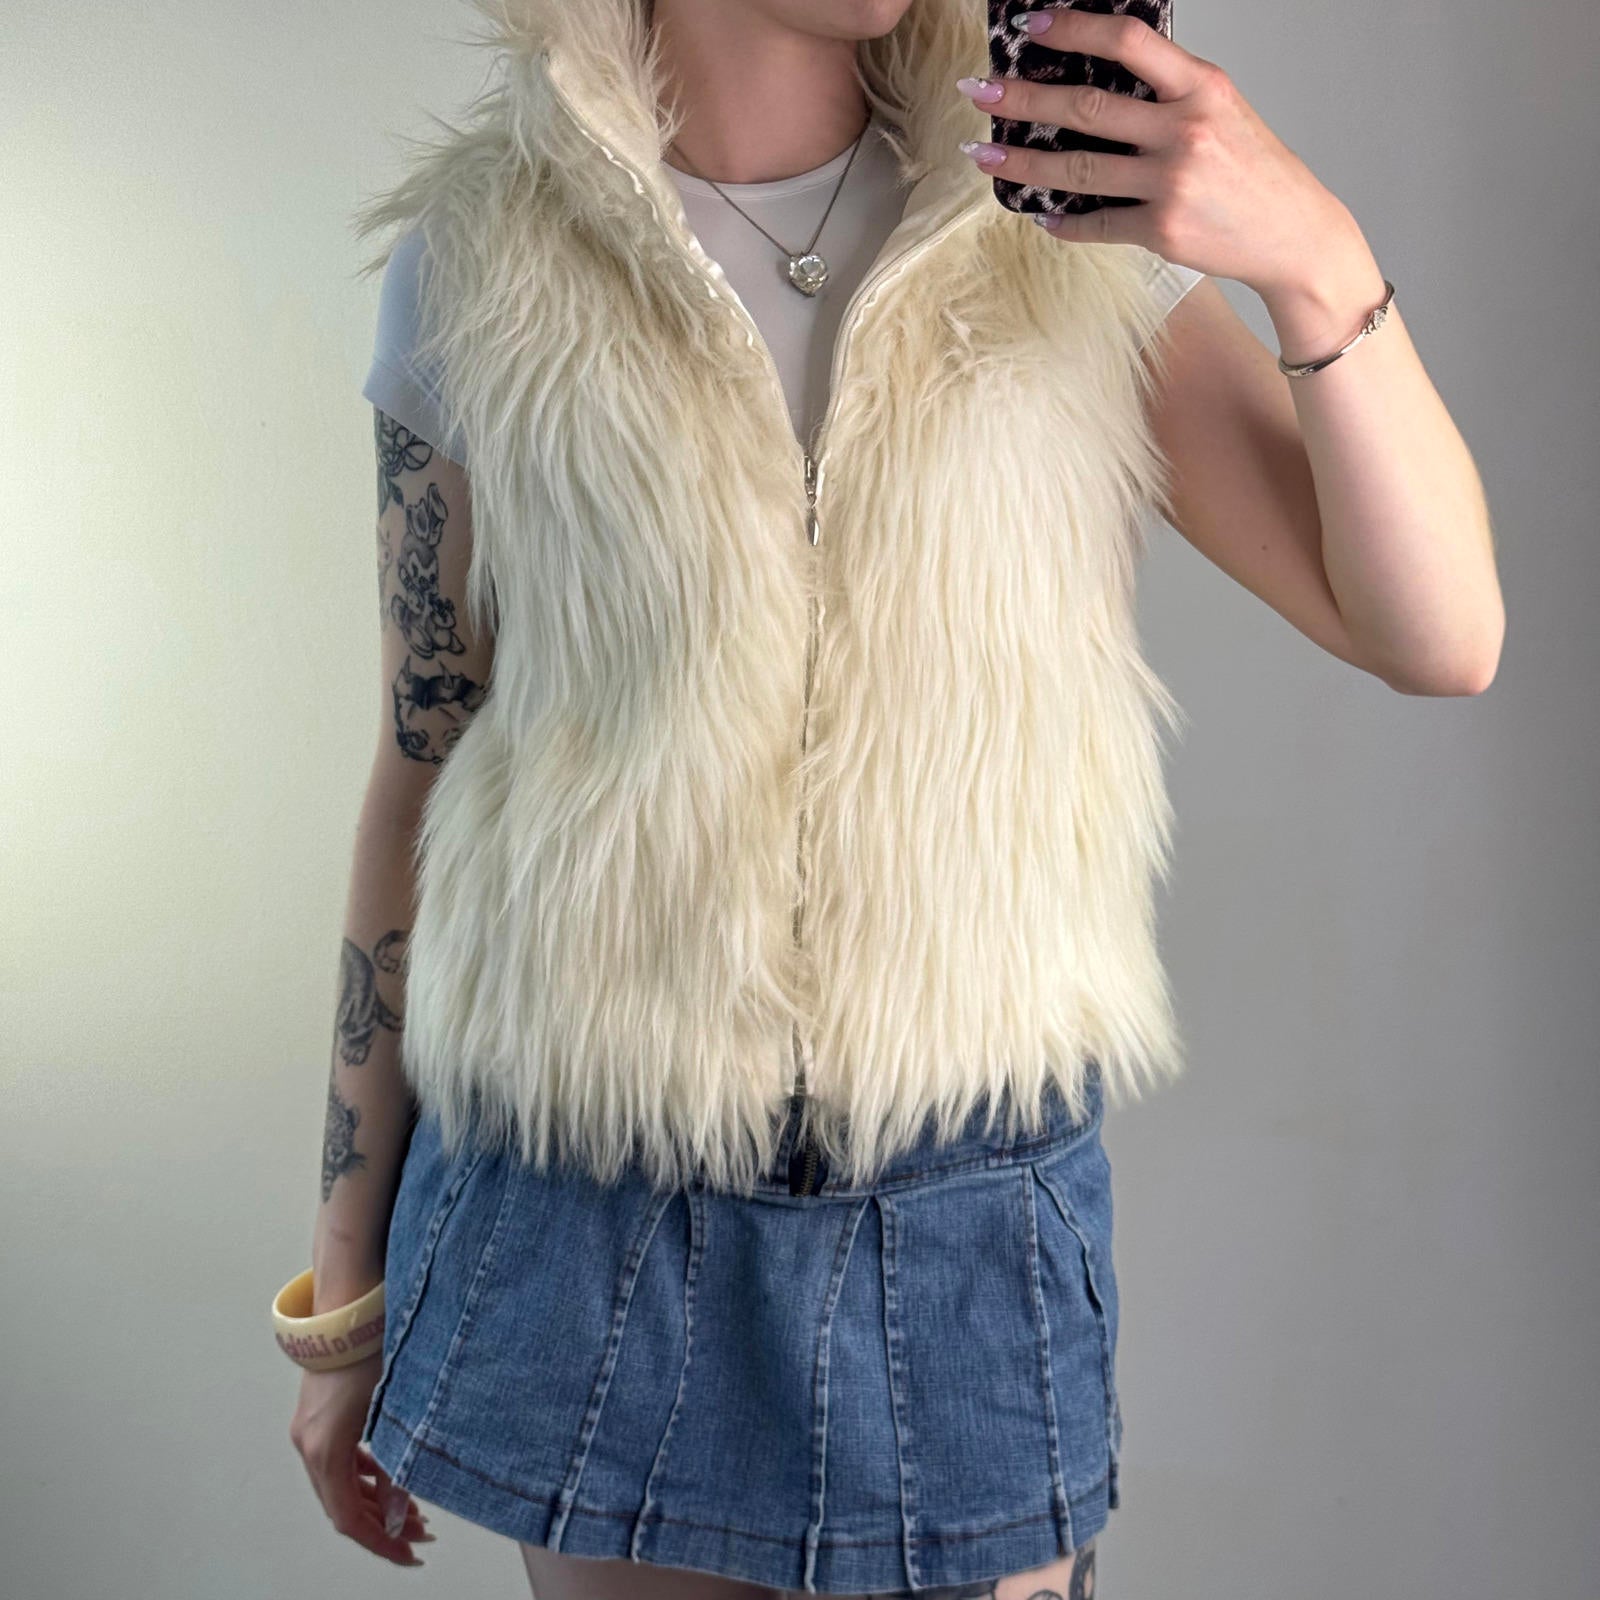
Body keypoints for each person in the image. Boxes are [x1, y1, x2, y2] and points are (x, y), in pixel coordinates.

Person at [279, 2, 1504, 1597]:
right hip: (586, 1210)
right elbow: (424, 765)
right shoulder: (480, 261)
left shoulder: (1059, 229)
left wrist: (1314, 257)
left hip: (962, 1227)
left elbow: (1439, 636)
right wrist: (344, 1297)